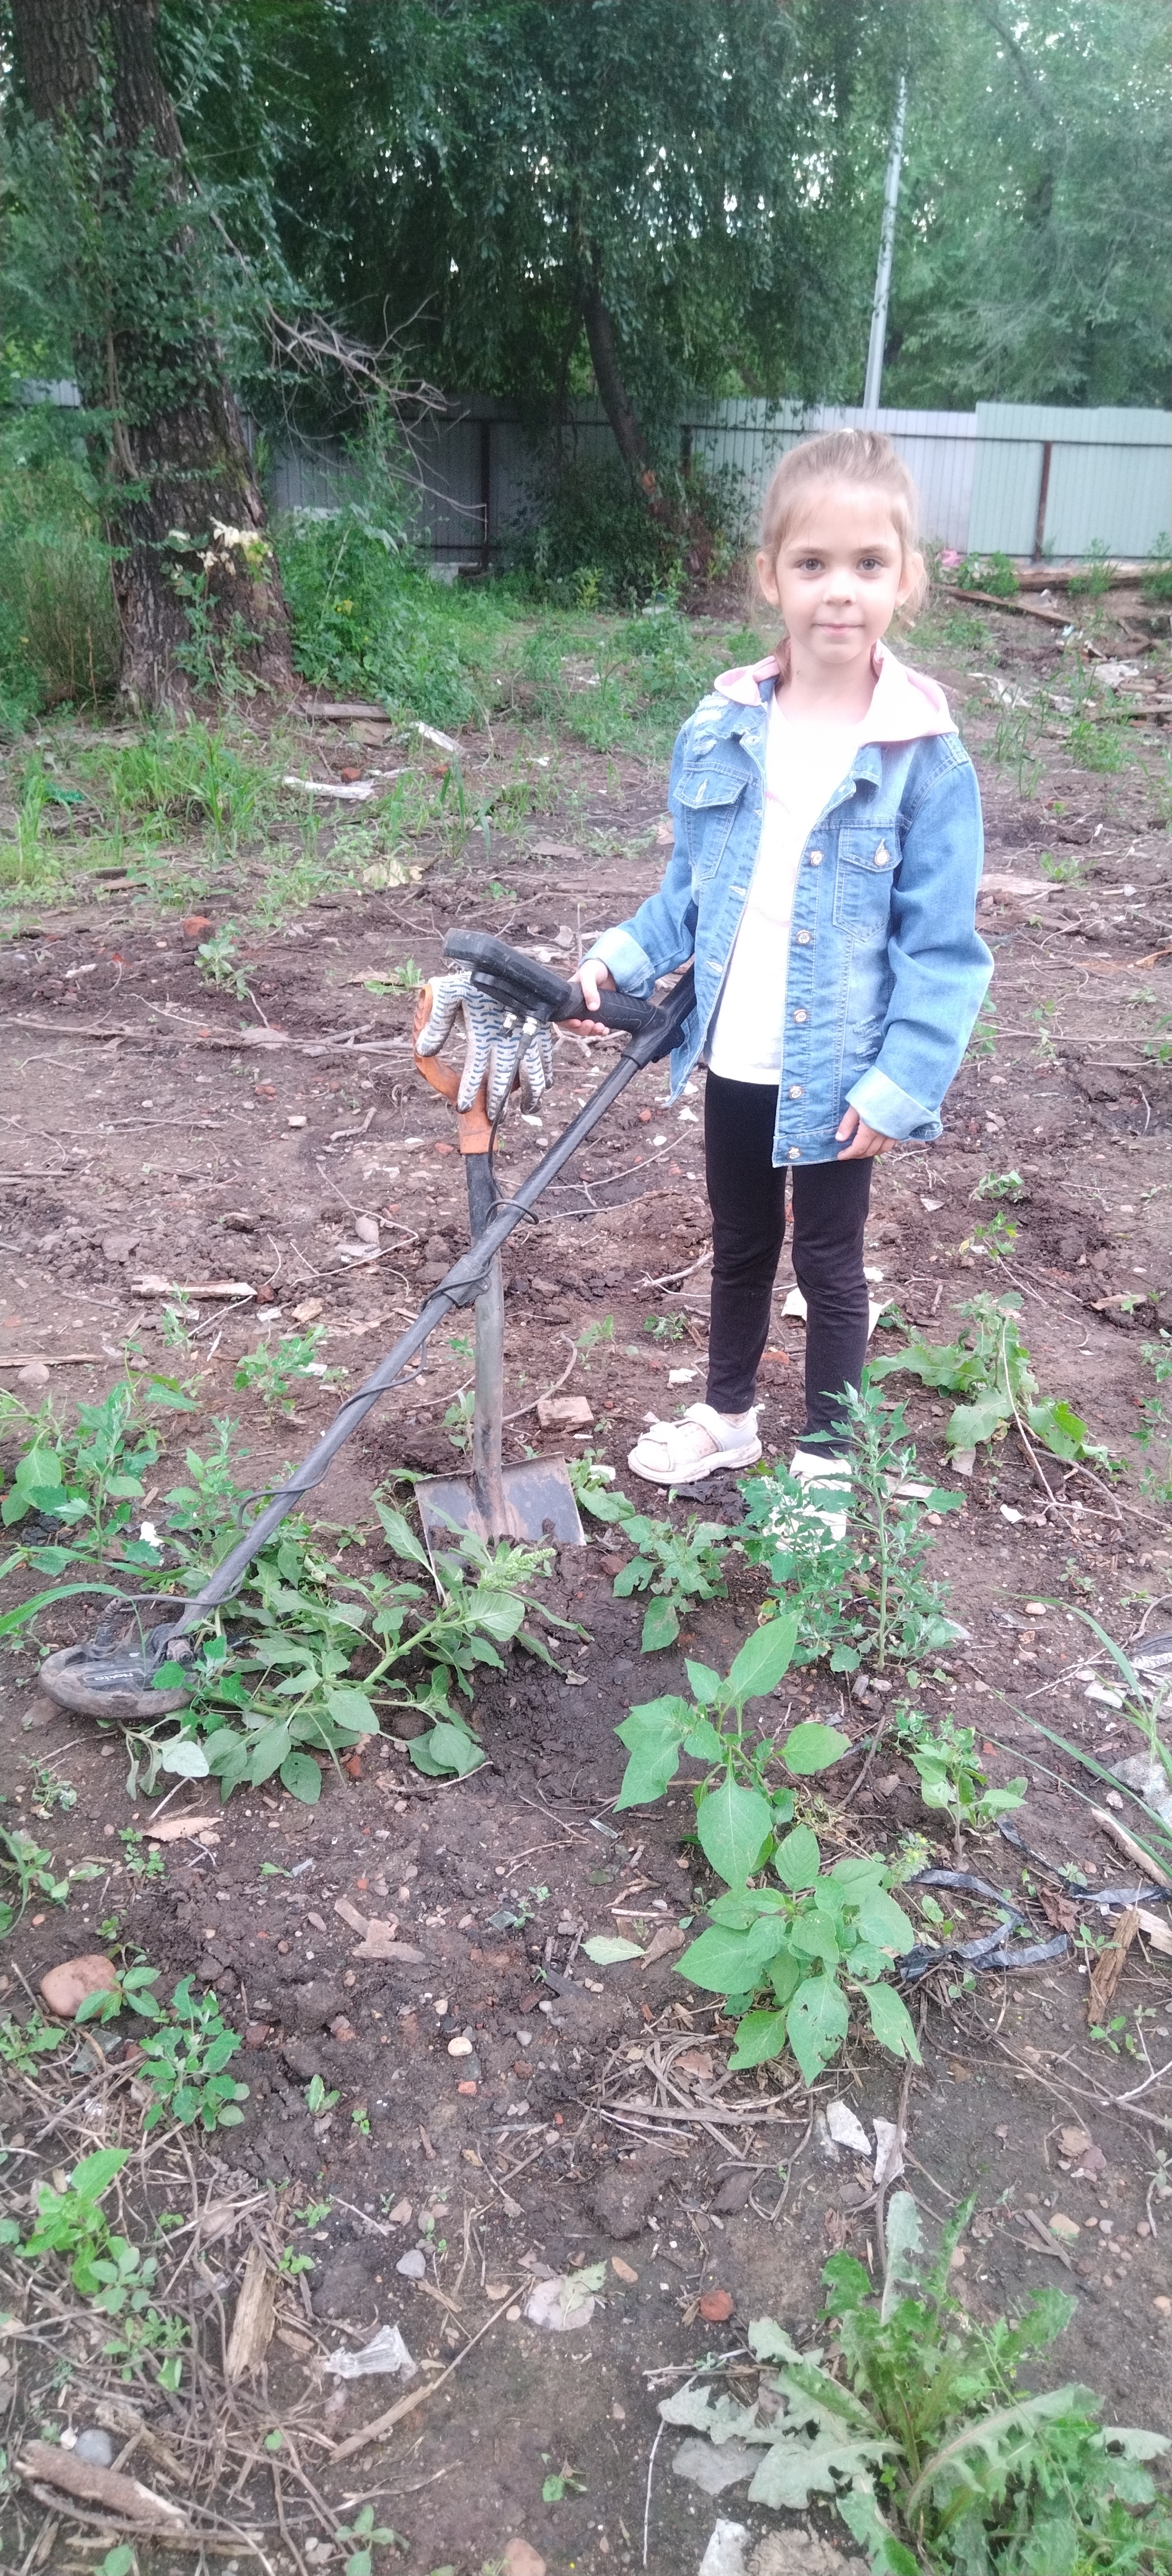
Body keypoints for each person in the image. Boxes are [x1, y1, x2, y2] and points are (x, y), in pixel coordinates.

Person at [562, 427, 992, 1514]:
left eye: (867, 565)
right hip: (737, 1049)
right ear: (770, 577)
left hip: (843, 1073)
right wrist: (615, 960)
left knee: (831, 1267)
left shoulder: (924, 760)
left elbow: (940, 951)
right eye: (812, 565)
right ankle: (728, 1417)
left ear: (908, 579)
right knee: (743, 1243)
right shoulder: (724, 729)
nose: (838, 593)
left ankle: (830, 1462)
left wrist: (900, 1086)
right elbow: (687, 892)